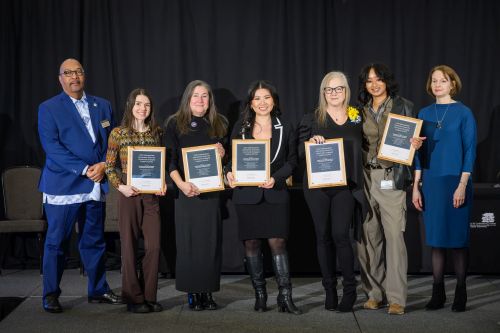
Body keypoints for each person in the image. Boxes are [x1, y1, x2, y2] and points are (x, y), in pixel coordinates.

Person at [37, 58, 122, 313]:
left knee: (94, 240)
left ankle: (98, 289)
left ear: (84, 76)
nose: (74, 77)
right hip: (63, 185)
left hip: (95, 183)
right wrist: (85, 169)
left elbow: (113, 143)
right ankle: (51, 293)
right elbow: (52, 147)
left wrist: (104, 166)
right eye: (68, 73)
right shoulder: (49, 108)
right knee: (56, 242)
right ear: (60, 78)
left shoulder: (103, 105)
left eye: (79, 72)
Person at [226, 80, 301, 315]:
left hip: (275, 192)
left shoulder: (285, 126)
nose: (262, 103)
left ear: (274, 101)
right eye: (257, 98)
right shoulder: (240, 127)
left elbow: (292, 161)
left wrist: (276, 179)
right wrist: (228, 172)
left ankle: (285, 296)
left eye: (267, 98)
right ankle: (260, 295)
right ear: (250, 102)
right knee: (251, 243)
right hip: (246, 195)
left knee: (277, 242)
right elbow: (231, 159)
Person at [356, 63, 423, 315]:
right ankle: (374, 294)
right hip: (365, 178)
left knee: (394, 238)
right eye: (369, 80)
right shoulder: (358, 111)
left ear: (387, 81)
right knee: (368, 238)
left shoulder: (403, 106)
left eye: (379, 79)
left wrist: (414, 144)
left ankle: (396, 298)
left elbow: (412, 144)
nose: (374, 84)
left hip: (390, 178)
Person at [298, 72, 364, 312]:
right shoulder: (311, 119)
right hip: (317, 188)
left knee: (341, 236)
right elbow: (298, 153)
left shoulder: (357, 117)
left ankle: (350, 290)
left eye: (339, 89)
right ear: (322, 92)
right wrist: (309, 144)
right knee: (322, 236)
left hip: (345, 187)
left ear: (346, 91)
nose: (334, 93)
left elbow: (369, 146)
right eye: (329, 89)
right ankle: (329, 290)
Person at [412, 65, 476, 312]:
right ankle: (437, 293)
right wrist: (416, 186)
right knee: (436, 241)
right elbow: (419, 154)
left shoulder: (464, 113)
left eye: (443, 80)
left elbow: (470, 151)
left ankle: (461, 293)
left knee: (458, 241)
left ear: (452, 84)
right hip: (432, 182)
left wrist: (462, 185)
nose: (438, 84)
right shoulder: (423, 113)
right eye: (434, 80)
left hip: (456, 181)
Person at [164, 80, 228, 311]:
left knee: (210, 244)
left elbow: (228, 163)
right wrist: (181, 184)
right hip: (186, 194)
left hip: (211, 195)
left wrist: (223, 154)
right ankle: (192, 293)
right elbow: (169, 162)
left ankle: (208, 293)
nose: (200, 100)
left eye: (204, 96)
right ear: (187, 99)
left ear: (210, 100)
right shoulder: (174, 124)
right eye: (195, 96)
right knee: (189, 244)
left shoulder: (219, 123)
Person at [105, 88, 165, 313]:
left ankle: (149, 296)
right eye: (138, 104)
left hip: (151, 196)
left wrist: (162, 184)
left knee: (154, 246)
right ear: (130, 106)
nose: (143, 108)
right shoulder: (118, 133)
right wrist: (121, 186)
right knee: (129, 246)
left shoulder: (157, 132)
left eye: (147, 105)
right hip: (128, 194)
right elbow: (110, 167)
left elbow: (160, 164)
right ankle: (133, 298)